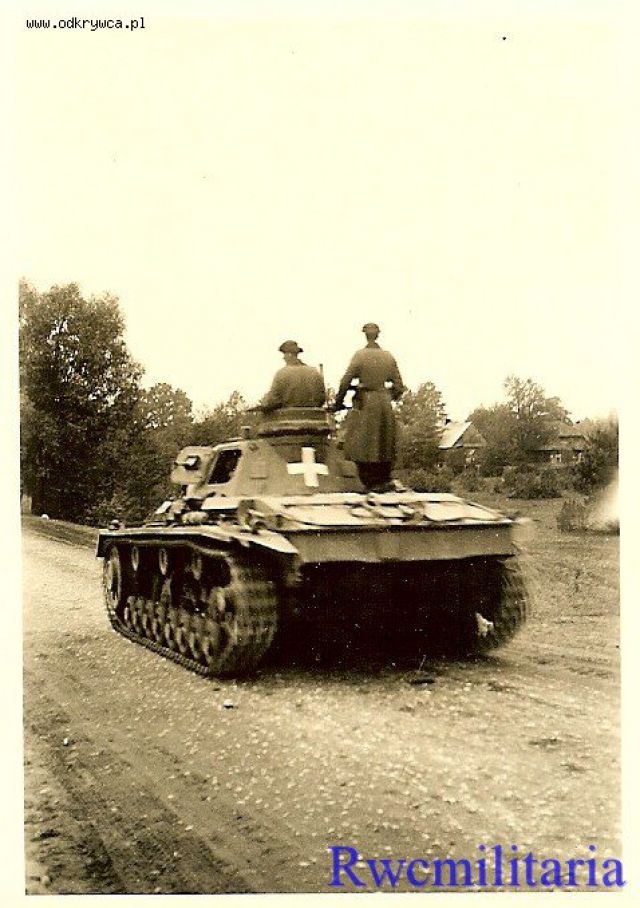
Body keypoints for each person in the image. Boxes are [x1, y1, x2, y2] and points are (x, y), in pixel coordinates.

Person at [333, 323, 405, 490]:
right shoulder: (388, 357)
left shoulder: (360, 355)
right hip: (384, 403)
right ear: (377, 335)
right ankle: (382, 481)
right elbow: (399, 387)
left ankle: (366, 482)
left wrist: (338, 403)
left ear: (365, 335)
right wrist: (387, 396)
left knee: (360, 443)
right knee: (383, 443)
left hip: (366, 402)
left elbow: (345, 381)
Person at [255, 340, 326, 413]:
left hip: (288, 417)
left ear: (289, 355)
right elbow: (322, 398)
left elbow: (272, 401)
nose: (283, 358)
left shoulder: (282, 373)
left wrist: (264, 402)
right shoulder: (315, 372)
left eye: (284, 354)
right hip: (315, 417)